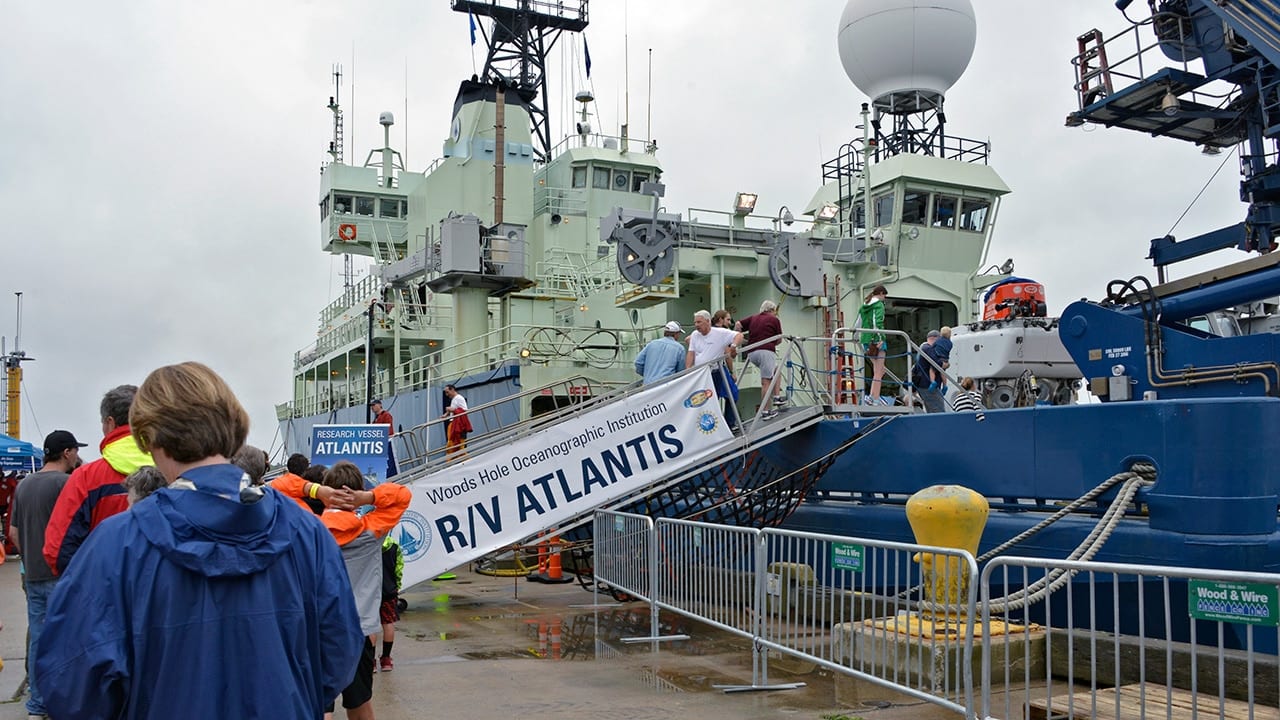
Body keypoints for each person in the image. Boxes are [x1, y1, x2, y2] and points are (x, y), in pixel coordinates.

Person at [34, 361, 363, 720]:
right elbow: (339, 652)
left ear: (147, 438)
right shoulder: (307, 532)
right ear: (234, 426)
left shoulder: (117, 544)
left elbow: (72, 684)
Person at [275, 460, 411, 720]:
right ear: (357, 491)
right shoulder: (372, 531)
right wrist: (368, 497)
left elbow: (278, 488)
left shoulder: (307, 526)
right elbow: (402, 495)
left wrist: (315, 491)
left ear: (328, 491)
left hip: (316, 627)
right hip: (358, 631)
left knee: (319, 705)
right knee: (360, 704)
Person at [10, 430, 85, 719]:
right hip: (61, 574)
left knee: (39, 638)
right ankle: (63, 702)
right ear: (67, 452)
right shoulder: (66, 484)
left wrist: (30, 556)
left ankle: (36, 705)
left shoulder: (25, 484)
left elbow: (14, 533)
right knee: (67, 639)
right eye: (75, 450)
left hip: (32, 575)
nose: (77, 455)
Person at [43, 384, 153, 575]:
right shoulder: (174, 469)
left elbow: (57, 550)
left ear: (110, 423)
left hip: (105, 590)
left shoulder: (87, 477)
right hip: (164, 595)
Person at [686, 309, 744, 428]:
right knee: (708, 401)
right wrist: (688, 370)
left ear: (708, 321)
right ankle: (710, 426)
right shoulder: (695, 335)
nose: (696, 325)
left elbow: (739, 335)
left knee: (731, 395)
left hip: (717, 372)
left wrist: (733, 346)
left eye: (699, 322)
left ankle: (729, 424)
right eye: (695, 322)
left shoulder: (720, 333)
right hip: (701, 374)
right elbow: (691, 353)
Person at [736, 299, 784, 419]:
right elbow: (779, 338)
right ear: (772, 310)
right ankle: (766, 411)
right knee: (766, 382)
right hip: (766, 352)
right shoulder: (774, 320)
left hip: (751, 353)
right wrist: (772, 343)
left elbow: (738, 324)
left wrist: (738, 338)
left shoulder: (753, 318)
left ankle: (777, 397)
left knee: (776, 371)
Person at [376, 534, 404, 672]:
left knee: (370, 626)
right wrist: (397, 585)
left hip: (371, 591)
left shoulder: (368, 545)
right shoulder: (394, 546)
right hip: (389, 590)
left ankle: (370, 662)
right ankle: (386, 659)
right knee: (388, 624)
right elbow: (398, 569)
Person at [858, 285, 890, 405]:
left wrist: (856, 337)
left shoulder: (864, 306)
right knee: (878, 371)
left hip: (866, 339)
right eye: (884, 296)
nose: (884, 298)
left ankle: (873, 396)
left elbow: (858, 322)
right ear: (881, 293)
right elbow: (878, 322)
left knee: (879, 370)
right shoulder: (878, 305)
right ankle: (874, 398)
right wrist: (881, 337)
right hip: (876, 340)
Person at [913, 330, 947, 413]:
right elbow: (937, 363)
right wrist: (946, 364)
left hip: (924, 385)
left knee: (931, 410)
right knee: (939, 411)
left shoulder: (922, 349)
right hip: (928, 386)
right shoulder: (928, 349)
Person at [442, 385, 472, 461]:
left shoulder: (459, 398)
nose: (447, 394)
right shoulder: (455, 399)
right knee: (454, 445)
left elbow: (464, 411)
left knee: (455, 445)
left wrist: (451, 410)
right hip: (454, 424)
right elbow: (456, 409)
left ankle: (452, 462)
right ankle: (452, 462)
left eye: (447, 392)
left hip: (458, 425)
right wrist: (447, 413)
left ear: (452, 390)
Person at [369, 400, 398, 478]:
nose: (372, 407)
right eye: (371, 406)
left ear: (379, 405)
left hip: (385, 444)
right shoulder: (376, 418)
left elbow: (389, 430)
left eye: (374, 405)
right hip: (379, 444)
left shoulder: (386, 415)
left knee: (388, 464)